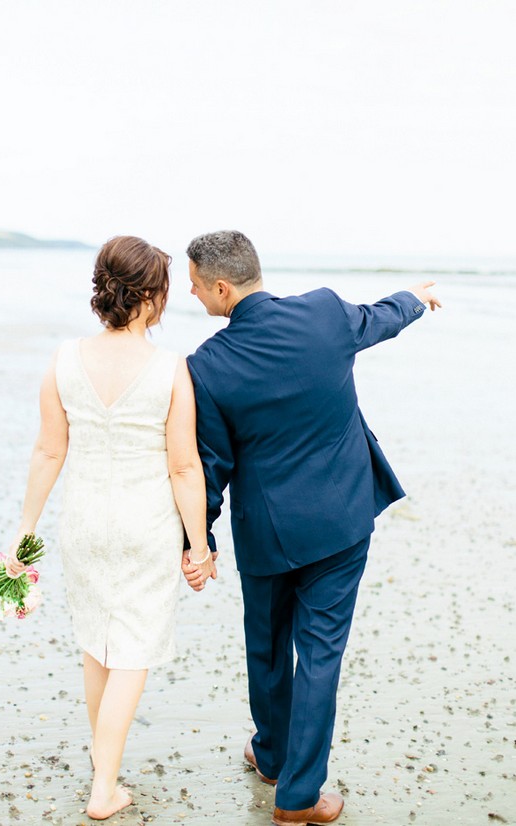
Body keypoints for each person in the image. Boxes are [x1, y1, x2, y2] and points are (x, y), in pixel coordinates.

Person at [182, 230, 441, 826]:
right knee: (320, 653)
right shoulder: (324, 313)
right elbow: (380, 319)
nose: (191, 294)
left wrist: (202, 540)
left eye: (195, 286)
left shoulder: (208, 365)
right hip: (341, 521)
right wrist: (415, 297)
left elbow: (212, 464)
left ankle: (272, 757)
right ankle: (297, 794)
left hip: (266, 533)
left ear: (223, 287)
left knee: (267, 647)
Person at [5, 235, 216, 821]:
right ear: (151, 297)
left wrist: (25, 535)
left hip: (83, 524)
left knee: (96, 646)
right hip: (144, 525)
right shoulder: (170, 368)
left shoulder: (65, 358)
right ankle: (104, 787)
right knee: (133, 652)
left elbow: (49, 451)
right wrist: (198, 545)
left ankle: (106, 772)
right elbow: (182, 465)